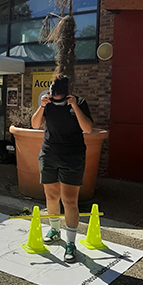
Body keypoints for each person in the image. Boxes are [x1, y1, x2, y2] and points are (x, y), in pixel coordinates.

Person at [31, 74, 93, 263]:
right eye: (52, 94)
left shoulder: (79, 103)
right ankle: (55, 229)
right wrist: (42, 105)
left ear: (66, 93)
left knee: (69, 200)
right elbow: (35, 125)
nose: (55, 98)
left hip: (72, 156)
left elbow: (88, 129)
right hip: (49, 153)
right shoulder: (47, 103)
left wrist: (74, 106)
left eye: (58, 96)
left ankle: (71, 242)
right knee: (50, 196)